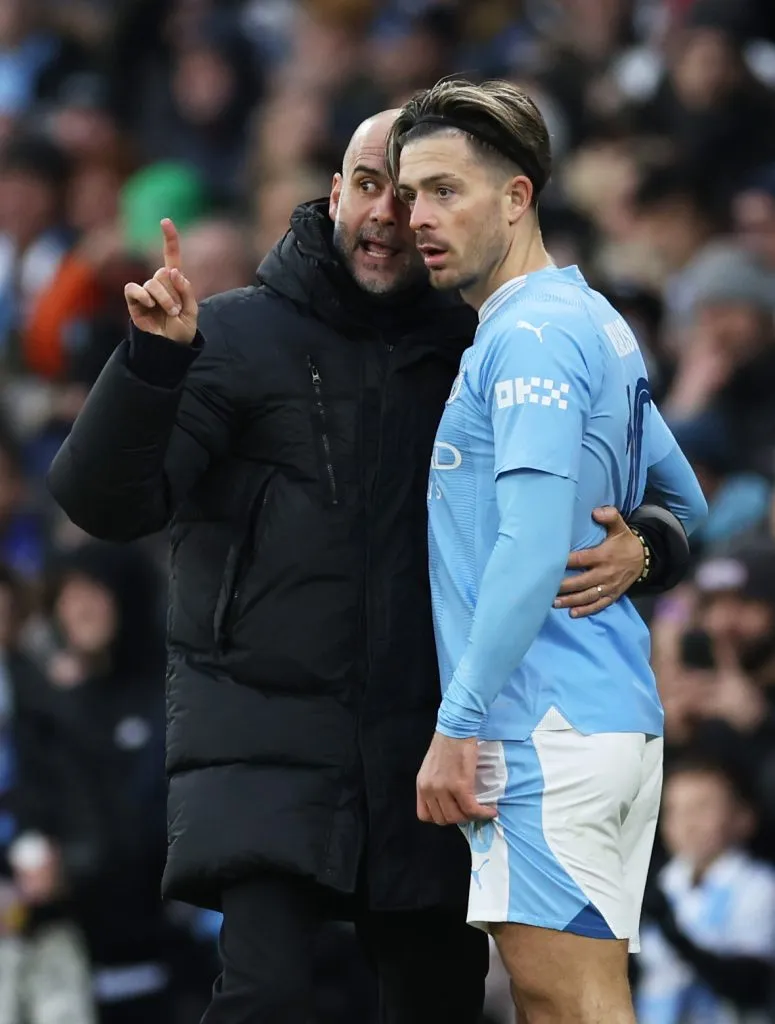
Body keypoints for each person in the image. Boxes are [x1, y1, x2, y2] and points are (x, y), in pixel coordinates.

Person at [46, 108, 691, 1024]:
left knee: (435, 1003)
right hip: (265, 740)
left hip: (428, 743)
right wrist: (151, 363)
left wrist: (647, 543)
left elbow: (640, 479)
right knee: (264, 999)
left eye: (420, 190)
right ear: (333, 191)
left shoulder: (482, 342)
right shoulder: (227, 336)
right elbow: (106, 506)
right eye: (368, 182)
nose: (391, 210)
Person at [388, 80, 708, 1023]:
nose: (418, 218)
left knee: (569, 1007)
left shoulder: (524, 338)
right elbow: (681, 504)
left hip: (542, 727)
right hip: (601, 716)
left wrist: (459, 723)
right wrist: (641, 556)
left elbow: (529, 546)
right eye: (410, 195)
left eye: (446, 190)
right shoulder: (594, 321)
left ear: (517, 197)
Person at [637, 759, 775, 1023]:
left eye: (702, 808)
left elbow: (753, 984)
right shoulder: (662, 883)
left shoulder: (760, 888)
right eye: (674, 810)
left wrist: (675, 936)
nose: (687, 823)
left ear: (743, 817)